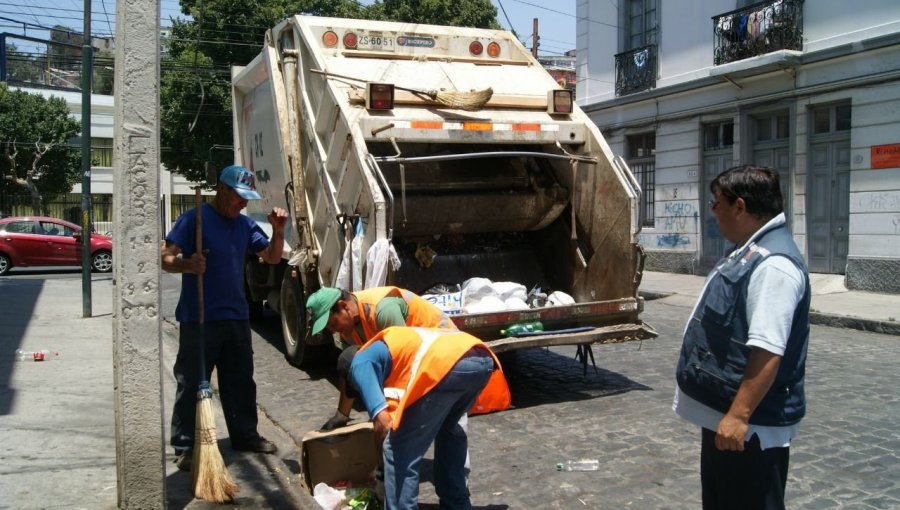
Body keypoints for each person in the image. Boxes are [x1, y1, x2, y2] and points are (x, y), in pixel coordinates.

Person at [674, 165, 811, 510]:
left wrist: (738, 416)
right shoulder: (749, 249)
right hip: (727, 422)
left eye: (715, 204)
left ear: (739, 206)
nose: (713, 212)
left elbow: (768, 350)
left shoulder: (773, 265)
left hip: (748, 431)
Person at [161, 164, 288, 471]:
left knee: (240, 381)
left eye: (247, 198)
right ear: (222, 189)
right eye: (239, 197)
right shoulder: (194, 220)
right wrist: (187, 264)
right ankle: (185, 446)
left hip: (236, 317)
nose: (243, 203)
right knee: (191, 382)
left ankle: (245, 434)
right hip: (198, 319)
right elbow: (165, 258)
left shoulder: (244, 226)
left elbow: (271, 257)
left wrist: (279, 231)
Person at [348, 326, 503, 510]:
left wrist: (381, 469)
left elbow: (383, 424)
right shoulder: (390, 349)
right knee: (449, 431)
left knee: (397, 449)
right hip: (482, 360)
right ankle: (457, 504)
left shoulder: (359, 363)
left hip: (447, 365)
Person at [306, 286, 460, 430]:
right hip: (426, 358)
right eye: (329, 329)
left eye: (333, 324)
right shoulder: (348, 329)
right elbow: (353, 370)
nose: (333, 331)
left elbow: (402, 364)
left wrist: (386, 416)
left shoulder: (383, 310)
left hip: (449, 355)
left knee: (438, 425)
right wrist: (341, 416)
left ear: (344, 306)